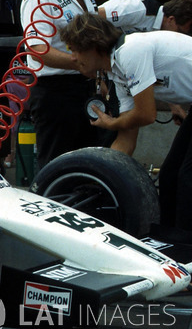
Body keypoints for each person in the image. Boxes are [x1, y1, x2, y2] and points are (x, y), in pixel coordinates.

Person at [60, 12, 192, 229]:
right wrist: (100, 179)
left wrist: (111, 124)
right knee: (169, 174)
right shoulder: (116, 72)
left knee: (187, 176)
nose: (73, 58)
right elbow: (126, 137)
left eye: (74, 50)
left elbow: (146, 114)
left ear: (93, 46)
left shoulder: (129, 52)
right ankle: (169, 235)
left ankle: (186, 244)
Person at [19, 0, 98, 169]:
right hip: (55, 92)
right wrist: (80, 63)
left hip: (85, 87)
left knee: (86, 163)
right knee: (55, 166)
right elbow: (37, 49)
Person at [97, 0, 192, 34]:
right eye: (179, 31)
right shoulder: (138, 9)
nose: (179, 37)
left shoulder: (160, 28)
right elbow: (93, 17)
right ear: (171, 20)